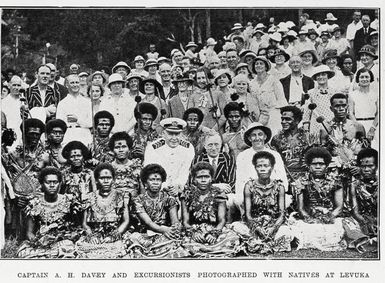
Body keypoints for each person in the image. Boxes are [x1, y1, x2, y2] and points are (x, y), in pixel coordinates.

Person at [289, 147, 346, 251]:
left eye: (321, 164)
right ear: (309, 166)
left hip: (330, 217)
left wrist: (330, 217)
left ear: (327, 165)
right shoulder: (301, 182)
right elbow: (300, 208)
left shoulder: (335, 181)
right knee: (308, 230)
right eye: (314, 164)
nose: (318, 167)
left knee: (335, 229)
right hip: (309, 218)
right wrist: (310, 219)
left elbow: (339, 207)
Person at [234, 151, 291, 253]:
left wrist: (273, 228)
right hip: (254, 224)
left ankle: (258, 244)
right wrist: (257, 228)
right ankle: (264, 243)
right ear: (255, 168)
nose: (262, 168)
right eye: (259, 166)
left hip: (273, 223)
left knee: (285, 232)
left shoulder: (279, 186)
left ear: (272, 167)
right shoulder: (249, 186)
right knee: (237, 228)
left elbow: (282, 214)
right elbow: (247, 214)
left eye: (266, 165)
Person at [17, 167, 81, 258]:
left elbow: (77, 227)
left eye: (55, 182)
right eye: (48, 182)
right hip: (41, 243)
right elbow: (29, 232)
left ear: (60, 183)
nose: (52, 185)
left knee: (68, 248)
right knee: (24, 253)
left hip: (63, 242)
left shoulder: (68, 201)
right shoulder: (34, 203)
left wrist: (64, 237)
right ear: (42, 184)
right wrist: (39, 241)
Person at [181, 162, 239, 256]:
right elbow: (185, 222)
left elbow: (222, 220)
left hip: (214, 228)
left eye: (206, 177)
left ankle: (202, 250)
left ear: (211, 178)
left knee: (233, 238)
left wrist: (214, 234)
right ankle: (210, 250)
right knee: (181, 241)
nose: (203, 180)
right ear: (194, 179)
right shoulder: (187, 194)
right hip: (194, 229)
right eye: (199, 177)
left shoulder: (219, 194)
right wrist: (193, 233)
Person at [4, 118, 46, 240]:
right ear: (24, 133)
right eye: (31, 133)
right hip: (17, 200)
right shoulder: (13, 155)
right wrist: (14, 198)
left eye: (37, 134)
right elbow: (6, 180)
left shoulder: (45, 156)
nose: (34, 137)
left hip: (37, 200)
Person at [79, 163, 129, 259]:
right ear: (97, 180)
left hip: (116, 235)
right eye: (102, 178)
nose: (106, 181)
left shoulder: (121, 196)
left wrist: (114, 236)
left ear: (113, 179)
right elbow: (84, 223)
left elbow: (126, 221)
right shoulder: (90, 197)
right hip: (95, 236)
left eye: (109, 178)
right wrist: (90, 235)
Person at [235, 122, 288, 213]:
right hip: (250, 193)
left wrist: (269, 190)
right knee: (239, 200)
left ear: (265, 137)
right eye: (253, 135)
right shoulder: (242, 156)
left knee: (286, 201)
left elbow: (282, 179)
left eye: (260, 134)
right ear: (249, 138)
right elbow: (239, 181)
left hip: (272, 192)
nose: (257, 138)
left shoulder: (275, 155)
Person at [144, 118, 195, 197]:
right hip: (158, 189)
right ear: (163, 134)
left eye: (177, 134)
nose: (174, 138)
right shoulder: (153, 148)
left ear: (181, 134)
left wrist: (177, 185)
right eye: (170, 134)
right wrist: (164, 186)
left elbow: (185, 171)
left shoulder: (188, 148)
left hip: (179, 190)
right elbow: (149, 171)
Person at [191, 132, 237, 221]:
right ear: (204, 146)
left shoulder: (228, 158)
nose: (213, 148)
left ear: (221, 145)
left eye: (216, 144)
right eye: (210, 145)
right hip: (203, 193)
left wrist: (219, 190)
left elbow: (231, 182)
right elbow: (192, 182)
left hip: (224, 194)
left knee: (229, 202)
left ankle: (227, 224)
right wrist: (216, 186)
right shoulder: (198, 159)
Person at [344, 148, 378, 252]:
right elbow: (355, 211)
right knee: (347, 222)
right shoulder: (355, 185)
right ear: (359, 167)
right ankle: (366, 240)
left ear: (377, 166)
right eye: (363, 166)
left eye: (370, 166)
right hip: (362, 219)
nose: (367, 169)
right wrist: (365, 222)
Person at [249, 56, 287, 135]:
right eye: (256, 64)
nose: (258, 66)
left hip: (274, 113)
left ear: (266, 66)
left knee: (275, 134)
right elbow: (253, 102)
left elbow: (281, 99)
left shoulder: (273, 80)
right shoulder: (252, 83)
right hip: (260, 115)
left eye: (261, 64)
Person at [56, 74, 93, 146]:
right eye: (72, 83)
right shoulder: (62, 103)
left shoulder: (87, 102)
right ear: (67, 85)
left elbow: (91, 122)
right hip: (69, 134)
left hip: (84, 134)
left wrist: (78, 120)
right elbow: (60, 123)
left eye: (77, 82)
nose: (75, 85)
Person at [348, 68, 378, 149]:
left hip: (373, 126)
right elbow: (351, 113)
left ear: (370, 78)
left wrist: (372, 129)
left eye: (366, 77)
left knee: (375, 149)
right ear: (358, 79)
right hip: (358, 124)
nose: (364, 79)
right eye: (362, 77)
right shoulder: (352, 95)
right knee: (359, 149)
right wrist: (357, 127)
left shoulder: (376, 94)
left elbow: (379, 113)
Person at [302, 65, 336, 135]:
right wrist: (306, 126)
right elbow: (307, 112)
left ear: (328, 76)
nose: (321, 77)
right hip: (316, 124)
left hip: (331, 123)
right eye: (318, 75)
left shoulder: (334, 92)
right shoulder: (310, 93)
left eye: (323, 75)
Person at [109, 132, 142, 201]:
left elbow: (143, 192)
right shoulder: (108, 168)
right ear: (112, 150)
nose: (121, 150)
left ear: (129, 148)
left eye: (124, 147)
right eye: (117, 147)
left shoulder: (138, 167)